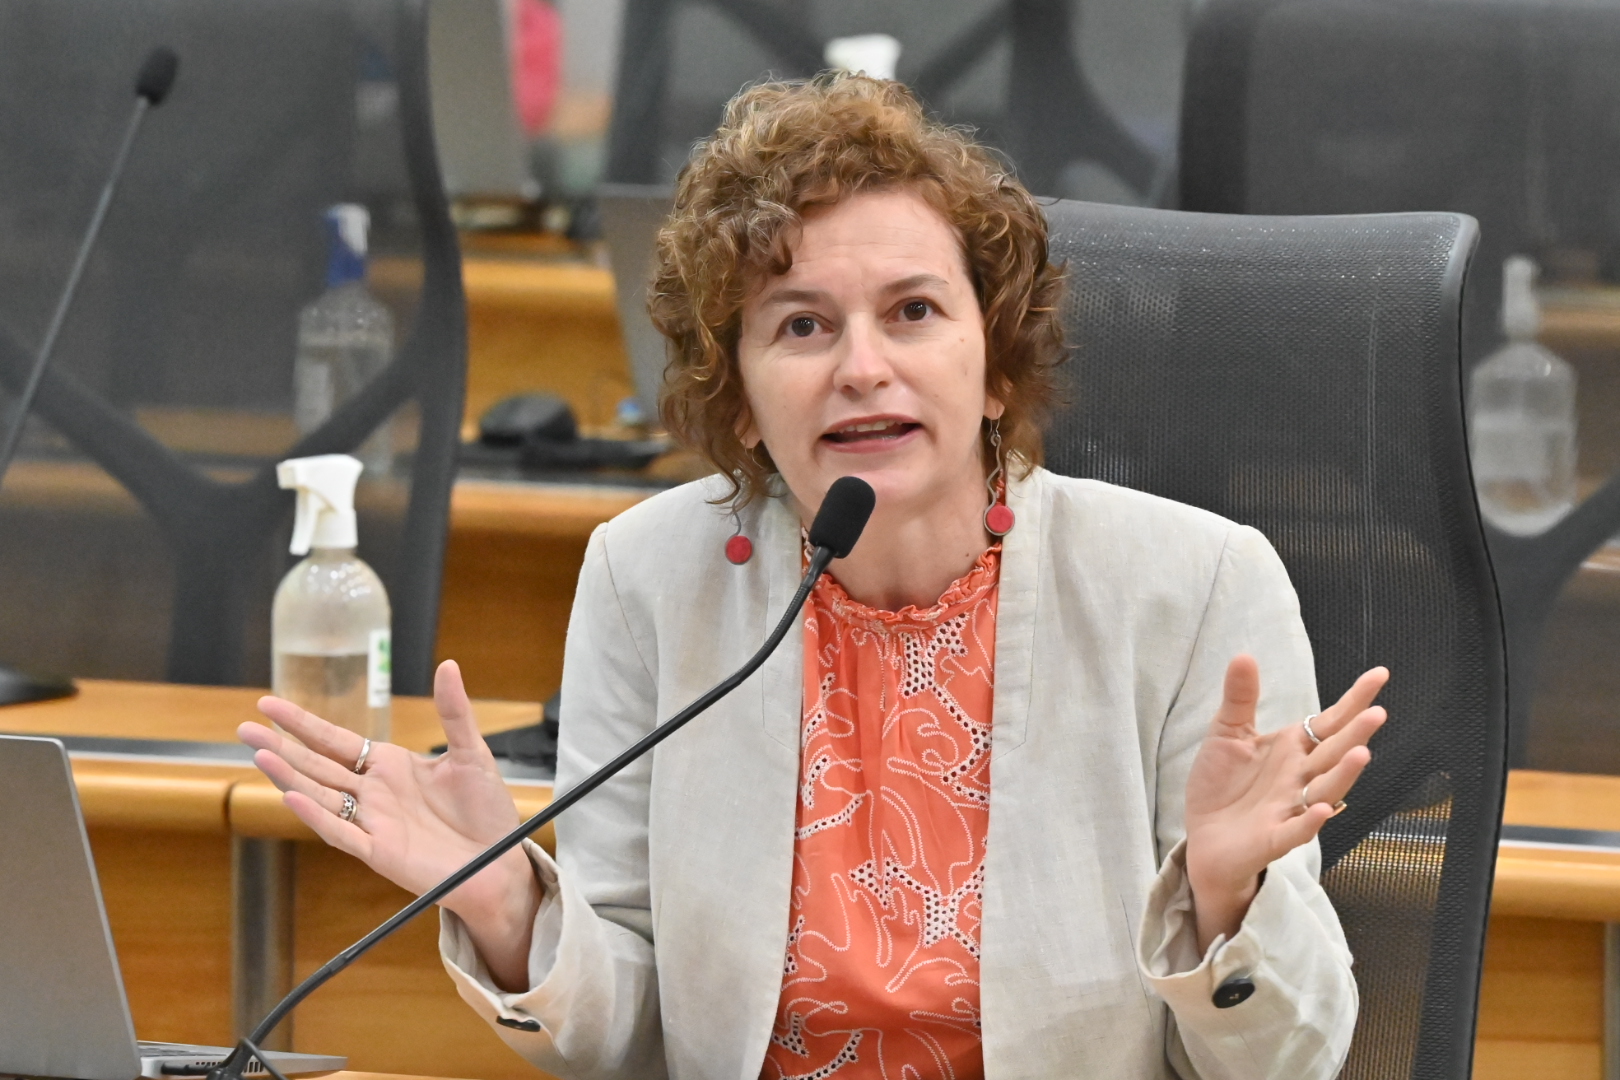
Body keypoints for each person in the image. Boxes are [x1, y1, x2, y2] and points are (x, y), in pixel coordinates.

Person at [240, 75, 1388, 1080]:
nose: (862, 367)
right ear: (738, 396)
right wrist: (507, 906)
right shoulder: (650, 578)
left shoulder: (1192, 589)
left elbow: (1290, 1062)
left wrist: (1227, 900)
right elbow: (628, 1035)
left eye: (914, 312)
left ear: (996, 366)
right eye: (801, 326)